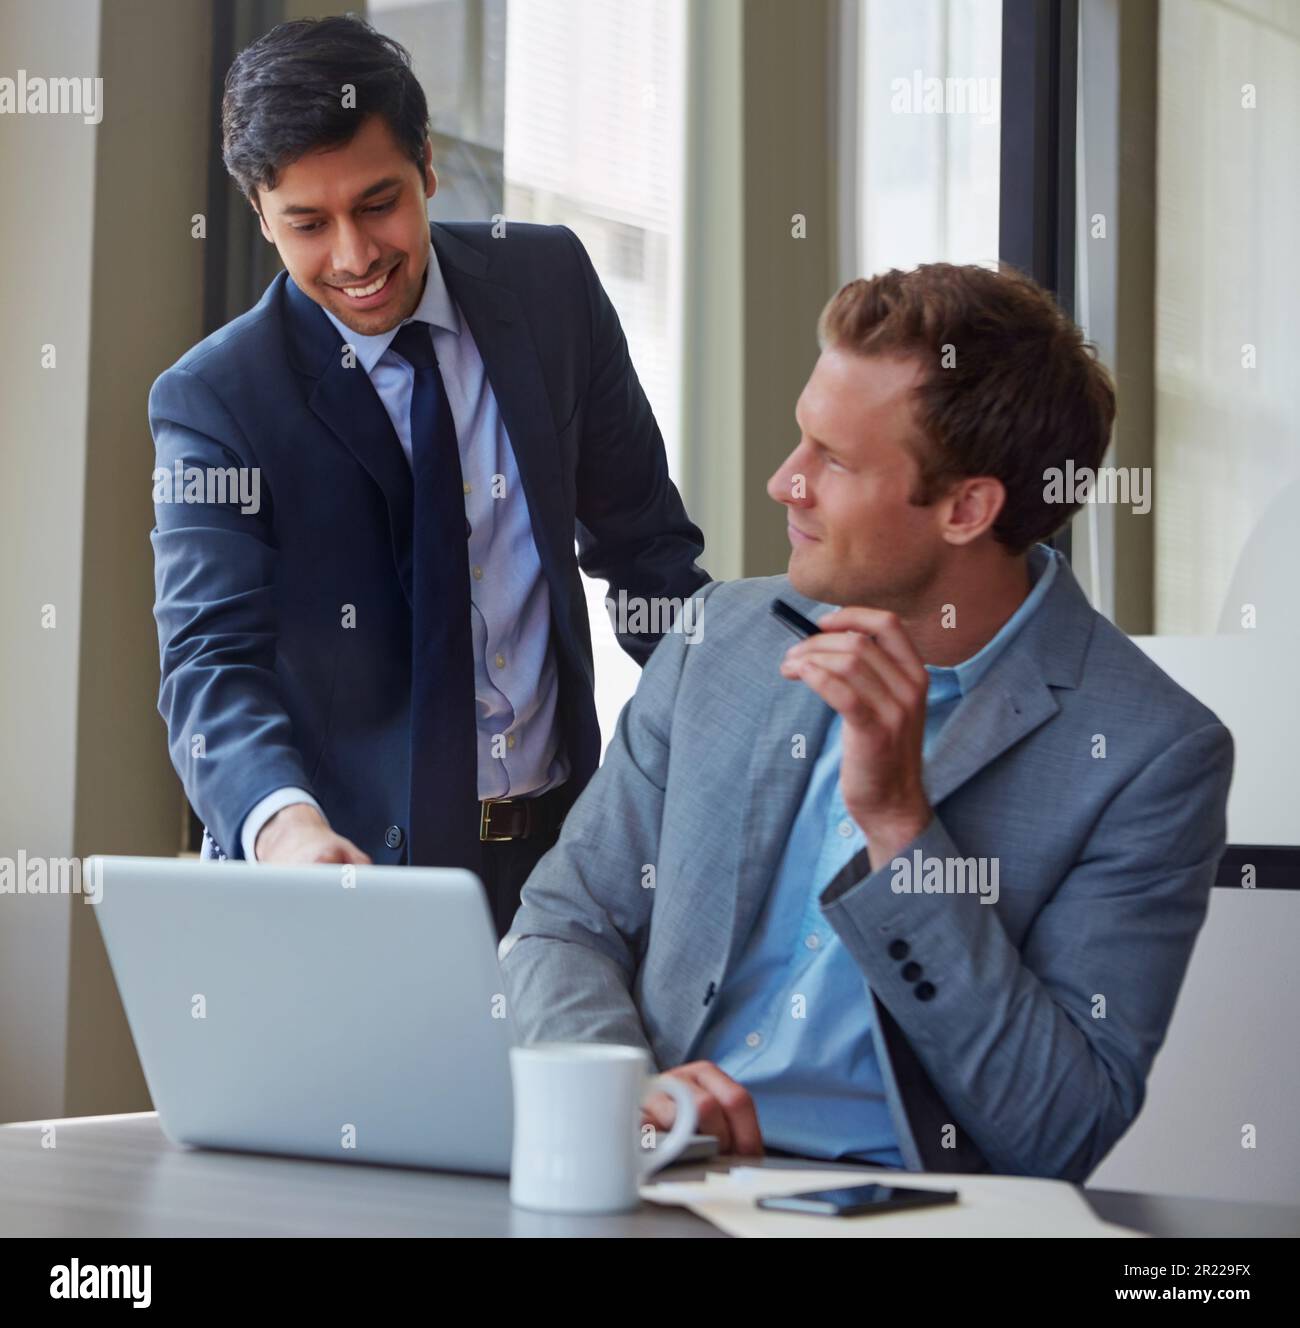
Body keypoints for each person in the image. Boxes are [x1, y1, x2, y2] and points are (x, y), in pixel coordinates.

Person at [500, 262, 1234, 1179]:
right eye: (801, 440)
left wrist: (900, 826)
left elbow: (1060, 1129)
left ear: (967, 508)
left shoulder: (1149, 755)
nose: (784, 482)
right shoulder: (717, 640)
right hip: (655, 1180)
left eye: (833, 461)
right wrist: (622, 1090)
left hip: (902, 1208)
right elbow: (563, 923)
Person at [148, 16, 708, 937]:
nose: (356, 256)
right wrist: (284, 828)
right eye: (307, 224)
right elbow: (213, 659)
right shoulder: (217, 401)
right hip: (346, 880)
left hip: (563, 859)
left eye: (379, 204)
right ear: (258, 213)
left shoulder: (549, 286)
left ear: (428, 167)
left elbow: (648, 554)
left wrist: (727, 741)